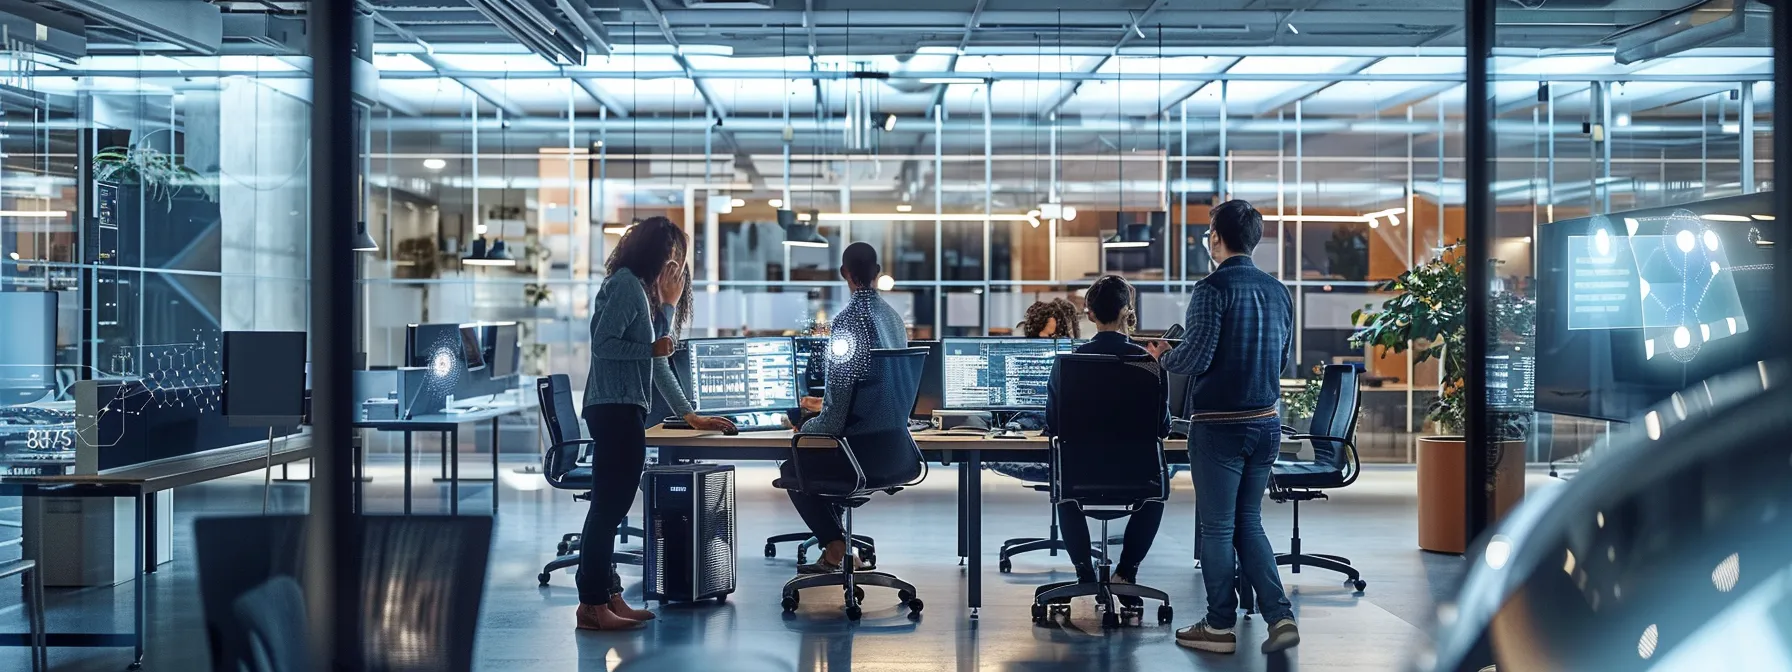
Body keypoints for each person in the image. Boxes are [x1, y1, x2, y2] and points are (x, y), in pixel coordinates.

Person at [1145, 200, 1300, 654]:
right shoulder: (1278, 291)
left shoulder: (1212, 288)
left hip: (1219, 427)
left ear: (1215, 236)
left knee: (1216, 528)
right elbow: (1282, 358)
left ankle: (1218, 627)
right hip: (1265, 423)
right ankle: (1280, 617)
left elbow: (1197, 357)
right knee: (1248, 523)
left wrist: (1162, 357)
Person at [577, 216, 735, 631]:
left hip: (624, 406)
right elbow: (603, 344)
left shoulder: (641, 292)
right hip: (612, 407)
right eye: (672, 254)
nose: (676, 265)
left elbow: (657, 360)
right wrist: (663, 311)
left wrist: (689, 415)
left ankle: (609, 595)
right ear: (654, 252)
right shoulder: (628, 285)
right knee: (608, 508)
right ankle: (591, 604)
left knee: (612, 506)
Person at [1043, 275, 1169, 601]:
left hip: (1079, 477)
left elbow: (1053, 424)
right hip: (1137, 477)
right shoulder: (1149, 364)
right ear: (1128, 311)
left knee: (1064, 488)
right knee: (1155, 494)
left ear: (1089, 314)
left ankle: (1084, 573)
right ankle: (1126, 572)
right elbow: (1162, 428)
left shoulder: (1067, 364)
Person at [785, 242, 908, 574]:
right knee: (815, 460)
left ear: (845, 274)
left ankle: (835, 545)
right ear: (878, 273)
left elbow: (836, 418)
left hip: (856, 453)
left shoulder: (847, 323)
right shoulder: (894, 321)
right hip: (894, 450)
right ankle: (838, 548)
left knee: (793, 468)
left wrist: (804, 426)